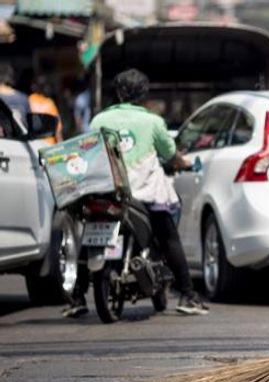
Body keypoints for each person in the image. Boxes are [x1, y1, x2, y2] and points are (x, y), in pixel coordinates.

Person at [64, 68, 209, 317]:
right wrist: (184, 163)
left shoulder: (99, 120)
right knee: (169, 237)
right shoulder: (153, 122)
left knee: (94, 234)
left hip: (106, 192)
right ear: (143, 94)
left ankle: (77, 298)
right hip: (143, 194)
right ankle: (187, 295)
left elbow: (88, 151)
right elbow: (170, 155)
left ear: (119, 92)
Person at [28, 76, 63, 144]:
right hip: (49, 144)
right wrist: (60, 143)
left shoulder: (29, 100)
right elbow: (58, 127)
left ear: (33, 86)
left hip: (34, 144)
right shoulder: (49, 103)